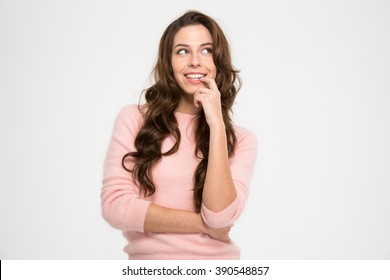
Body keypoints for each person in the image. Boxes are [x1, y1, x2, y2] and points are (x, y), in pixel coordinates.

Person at [101, 10, 257, 260]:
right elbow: (116, 208)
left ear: (219, 61)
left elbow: (219, 216)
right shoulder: (134, 120)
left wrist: (216, 125)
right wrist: (202, 225)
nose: (195, 61)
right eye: (182, 51)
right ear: (168, 62)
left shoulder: (241, 140)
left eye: (206, 50)